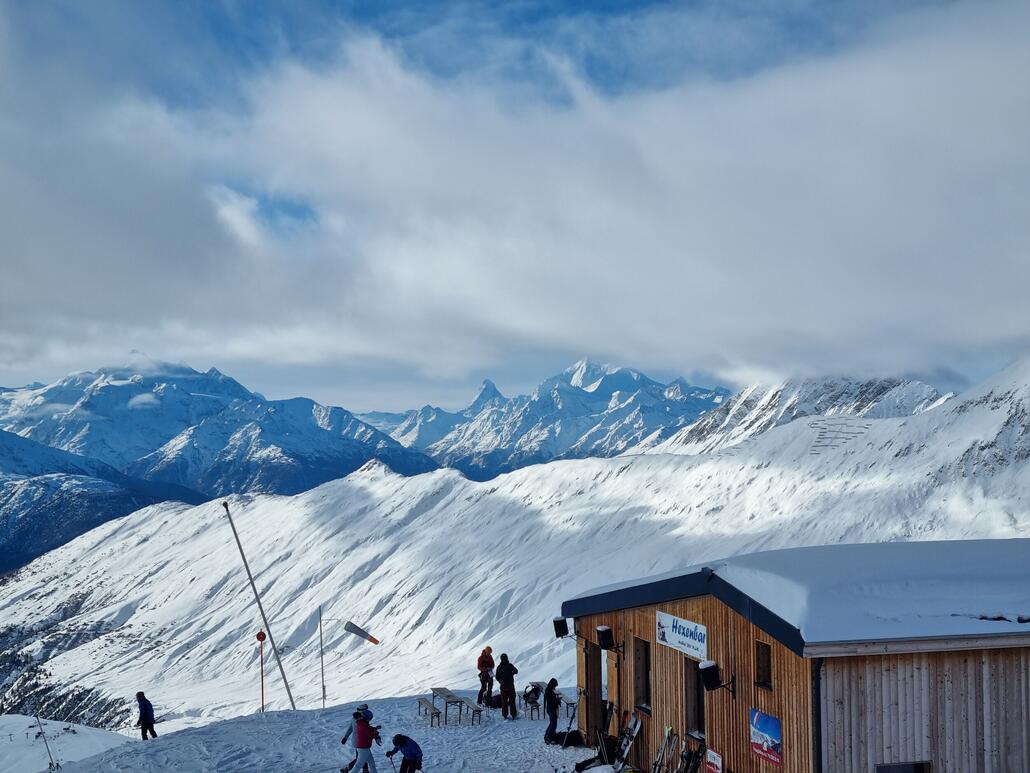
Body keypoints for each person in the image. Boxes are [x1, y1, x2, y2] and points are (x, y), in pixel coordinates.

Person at [341, 705, 375, 773]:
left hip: (361, 741)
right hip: (359, 741)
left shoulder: (361, 718)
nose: (366, 711)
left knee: (362, 758)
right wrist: (345, 737)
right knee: (360, 759)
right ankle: (348, 768)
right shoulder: (358, 719)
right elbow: (351, 728)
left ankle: (364, 770)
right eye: (365, 710)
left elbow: (367, 729)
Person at [495, 653, 519, 720]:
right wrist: (512, 673)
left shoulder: (499, 667)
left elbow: (497, 677)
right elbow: (516, 671)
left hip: (503, 686)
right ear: (507, 658)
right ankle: (513, 715)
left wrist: (500, 681)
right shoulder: (510, 665)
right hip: (510, 686)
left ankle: (505, 715)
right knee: (512, 701)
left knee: (504, 701)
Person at [543, 678, 560, 744]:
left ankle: (547, 736)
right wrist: (558, 701)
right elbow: (552, 701)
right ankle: (549, 738)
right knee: (553, 724)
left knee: (552, 724)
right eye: (555, 685)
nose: (555, 687)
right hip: (551, 709)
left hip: (550, 709)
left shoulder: (548, 690)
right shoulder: (550, 691)